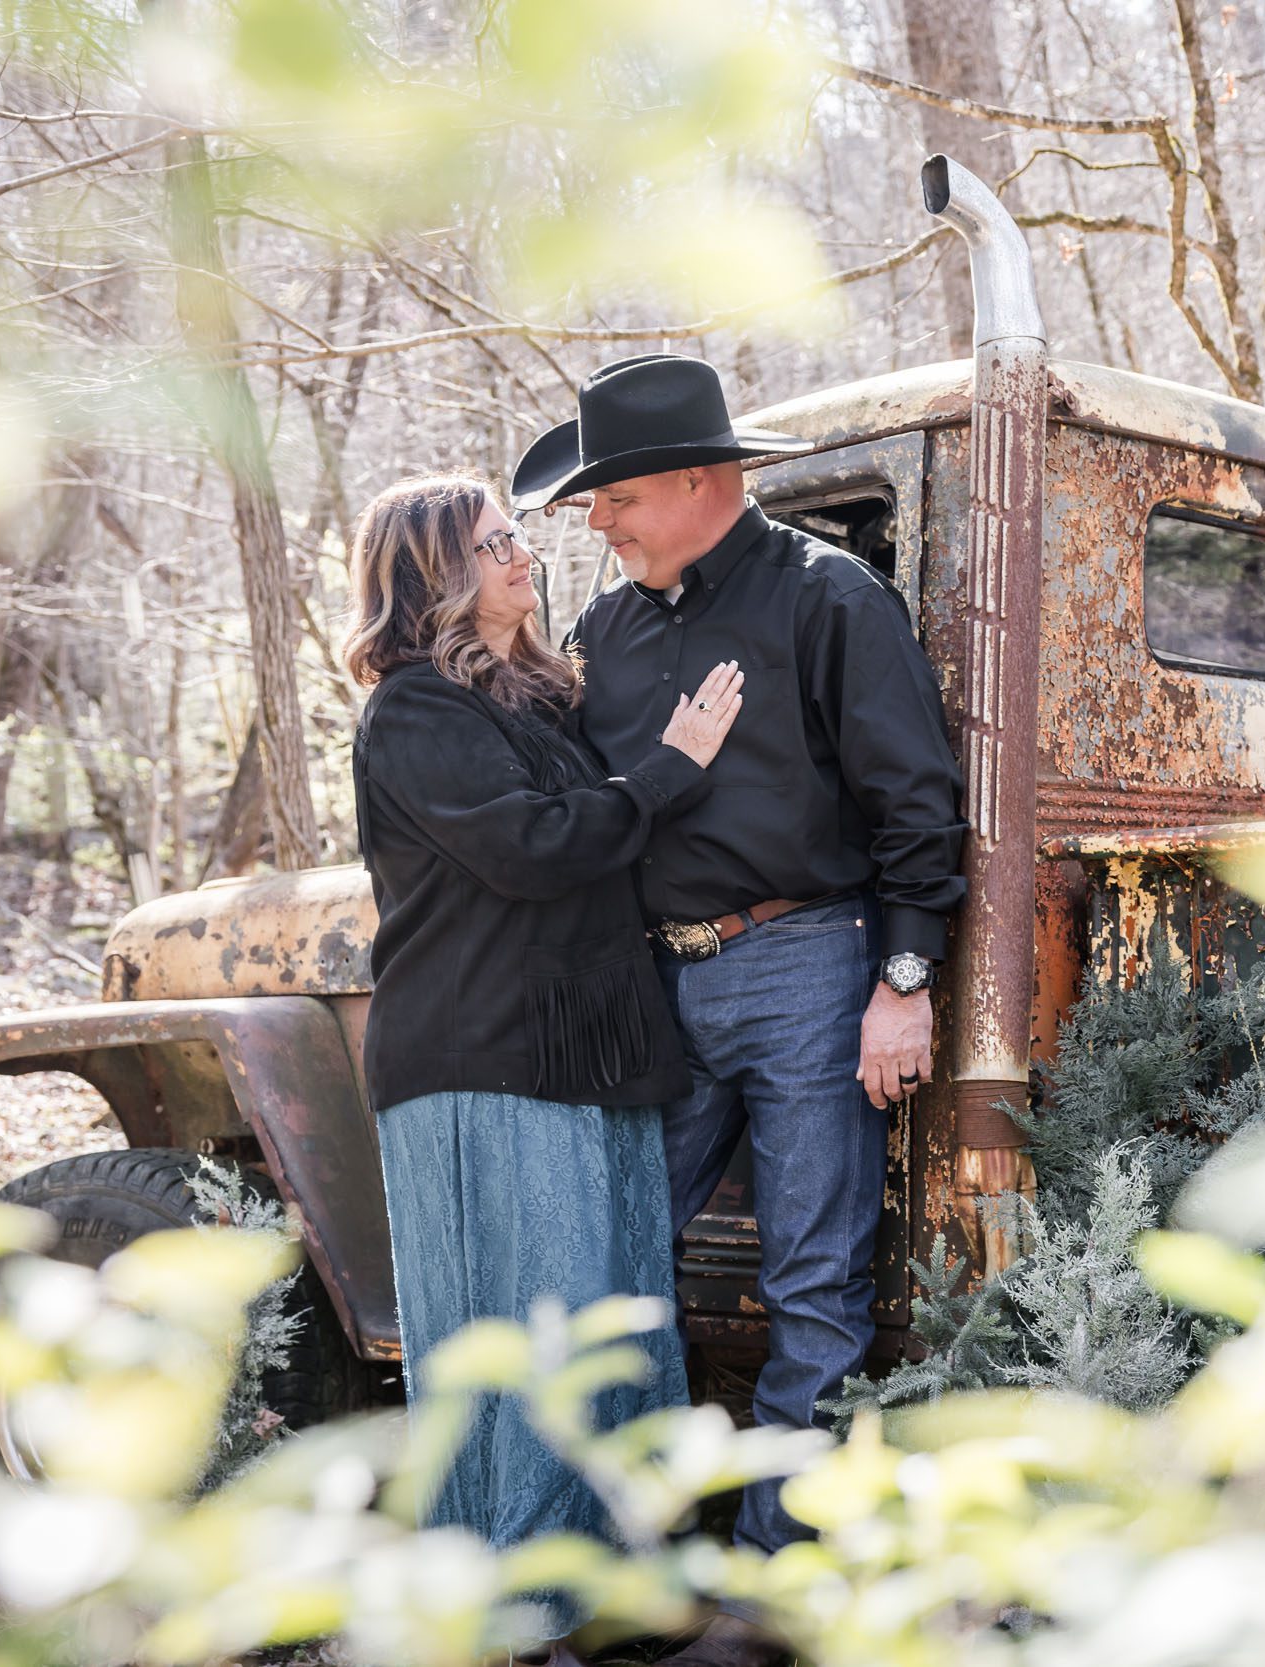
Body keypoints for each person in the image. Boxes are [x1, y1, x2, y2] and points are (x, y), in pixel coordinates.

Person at [514, 356, 967, 1666]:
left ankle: (769, 1597)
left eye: (617, 494)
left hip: (808, 964)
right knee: (615, 1262)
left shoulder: (831, 601)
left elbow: (914, 801)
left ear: (704, 480)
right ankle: (622, 1566)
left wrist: (904, 979)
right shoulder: (606, 632)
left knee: (812, 1278)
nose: (597, 519)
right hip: (655, 979)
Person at [341, 473, 746, 1663]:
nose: (525, 554)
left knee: (616, 1325)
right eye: (494, 541)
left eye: (517, 536)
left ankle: (615, 1594)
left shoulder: (541, 699)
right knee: (522, 1337)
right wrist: (673, 768)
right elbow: (532, 849)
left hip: (587, 1055)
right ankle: (515, 1613)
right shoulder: (414, 714)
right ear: (434, 575)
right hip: (482, 1060)